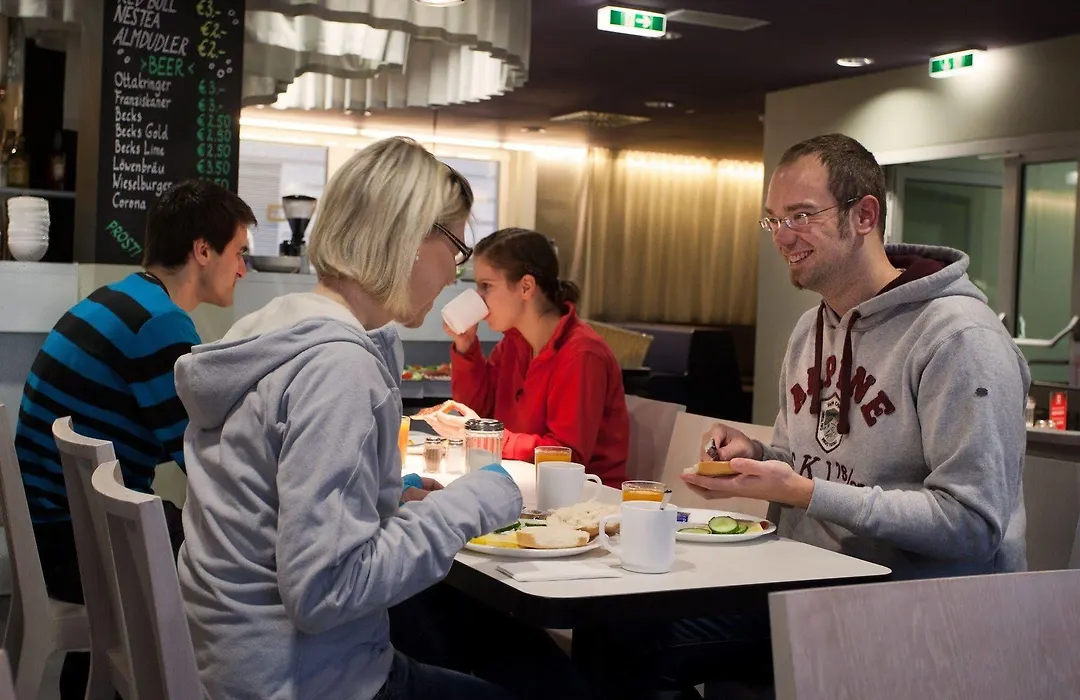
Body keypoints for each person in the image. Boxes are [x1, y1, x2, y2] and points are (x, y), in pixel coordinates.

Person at [588, 133, 1031, 699]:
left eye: (801, 215)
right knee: (613, 629)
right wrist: (755, 456)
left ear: (864, 215)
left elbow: (973, 524)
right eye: (773, 220)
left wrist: (806, 494)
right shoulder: (810, 329)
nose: (782, 236)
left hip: (915, 612)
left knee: (638, 647)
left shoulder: (960, 339)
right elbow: (808, 461)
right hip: (803, 582)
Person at [174, 137, 524, 700]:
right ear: (411, 237)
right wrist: (474, 502)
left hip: (234, 662)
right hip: (304, 682)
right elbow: (326, 589)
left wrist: (388, 498)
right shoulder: (339, 368)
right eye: (457, 248)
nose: (453, 277)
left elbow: (277, 504)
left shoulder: (275, 329)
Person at [13, 179, 254, 700]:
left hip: (49, 529)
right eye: (239, 253)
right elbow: (207, 462)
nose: (243, 269)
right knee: (244, 564)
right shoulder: (159, 324)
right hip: (72, 543)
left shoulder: (122, 298)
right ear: (203, 250)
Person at [434, 227, 630, 486]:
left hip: (588, 496)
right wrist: (466, 346)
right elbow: (478, 411)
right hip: (525, 485)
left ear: (526, 287)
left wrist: (491, 437)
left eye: (486, 286)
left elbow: (567, 456)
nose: (478, 299)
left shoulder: (582, 354)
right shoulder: (514, 344)